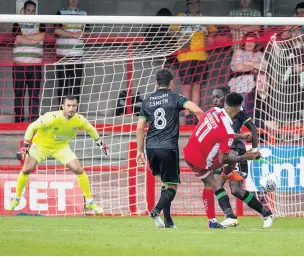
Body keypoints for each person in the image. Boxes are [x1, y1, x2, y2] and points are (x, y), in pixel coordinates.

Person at [7, 95, 108, 214]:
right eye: (68, 105)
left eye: (74, 106)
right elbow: (31, 126)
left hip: (61, 147)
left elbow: (91, 129)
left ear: (77, 107)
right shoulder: (51, 117)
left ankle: (90, 202)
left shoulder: (79, 119)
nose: (71, 108)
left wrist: (100, 143)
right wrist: (25, 146)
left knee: (79, 170)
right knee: (26, 170)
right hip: (41, 146)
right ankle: (17, 199)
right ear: (62, 106)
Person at [136, 68, 204, 228]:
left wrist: (139, 151)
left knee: (165, 183)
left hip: (150, 147)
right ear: (172, 82)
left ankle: (168, 221)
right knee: (172, 186)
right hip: (168, 147)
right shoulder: (176, 98)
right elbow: (198, 110)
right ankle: (156, 210)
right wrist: (201, 131)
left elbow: (139, 128)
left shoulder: (147, 101)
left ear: (156, 82)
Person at [183, 92, 261, 227]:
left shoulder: (213, 111)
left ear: (224, 104)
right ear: (238, 109)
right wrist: (245, 157)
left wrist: (241, 137)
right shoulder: (227, 132)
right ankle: (228, 173)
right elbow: (224, 158)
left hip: (189, 152)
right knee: (228, 157)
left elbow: (219, 132)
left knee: (212, 184)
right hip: (201, 162)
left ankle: (214, 220)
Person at [202, 86, 274, 229]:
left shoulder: (238, 112)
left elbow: (253, 128)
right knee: (227, 188)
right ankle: (238, 216)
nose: (214, 99)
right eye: (213, 96)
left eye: (218, 96)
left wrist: (254, 150)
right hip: (222, 153)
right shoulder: (215, 114)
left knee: (226, 187)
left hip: (236, 151)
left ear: (226, 97)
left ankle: (238, 216)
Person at [170, 0, 216, 125]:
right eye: (190, 3)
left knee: (197, 87)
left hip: (201, 57)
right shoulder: (181, 17)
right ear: (187, 5)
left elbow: (213, 31)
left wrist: (210, 35)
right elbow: (171, 30)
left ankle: (195, 115)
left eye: (195, 3)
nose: (193, 5)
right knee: (186, 87)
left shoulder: (204, 19)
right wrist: (181, 36)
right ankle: (187, 115)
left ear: (199, 4)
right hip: (185, 57)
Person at [12, 0, 46, 122]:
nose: (31, 13)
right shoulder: (17, 23)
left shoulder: (41, 22)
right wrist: (33, 39)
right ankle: (19, 118)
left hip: (35, 64)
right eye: (28, 10)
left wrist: (27, 39)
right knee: (19, 93)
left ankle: (34, 120)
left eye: (33, 11)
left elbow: (41, 36)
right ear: (24, 11)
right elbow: (19, 38)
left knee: (34, 94)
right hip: (19, 64)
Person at [54, 0, 87, 106]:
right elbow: (56, 30)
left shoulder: (84, 14)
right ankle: (61, 111)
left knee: (76, 86)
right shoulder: (60, 12)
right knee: (62, 85)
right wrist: (73, 34)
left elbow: (87, 31)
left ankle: (74, 112)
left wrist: (82, 34)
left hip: (78, 55)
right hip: (62, 55)